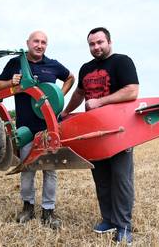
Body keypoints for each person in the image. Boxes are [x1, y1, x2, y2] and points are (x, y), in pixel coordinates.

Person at [61, 27, 139, 244]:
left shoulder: (122, 62)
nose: (96, 47)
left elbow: (132, 90)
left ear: (109, 42)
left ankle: (124, 226)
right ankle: (108, 219)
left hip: (119, 131)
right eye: (92, 44)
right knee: (102, 178)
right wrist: (66, 112)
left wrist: (100, 102)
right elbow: (79, 94)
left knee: (121, 179)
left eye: (100, 42)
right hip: (93, 132)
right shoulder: (86, 68)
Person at [0, 30, 74, 229]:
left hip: (49, 127)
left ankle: (48, 210)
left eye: (43, 42)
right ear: (28, 43)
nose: (39, 45)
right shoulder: (16, 63)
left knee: (50, 170)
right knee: (27, 168)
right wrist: (11, 82)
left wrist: (59, 97)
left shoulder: (53, 65)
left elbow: (70, 78)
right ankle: (27, 207)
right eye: (36, 41)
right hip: (26, 127)